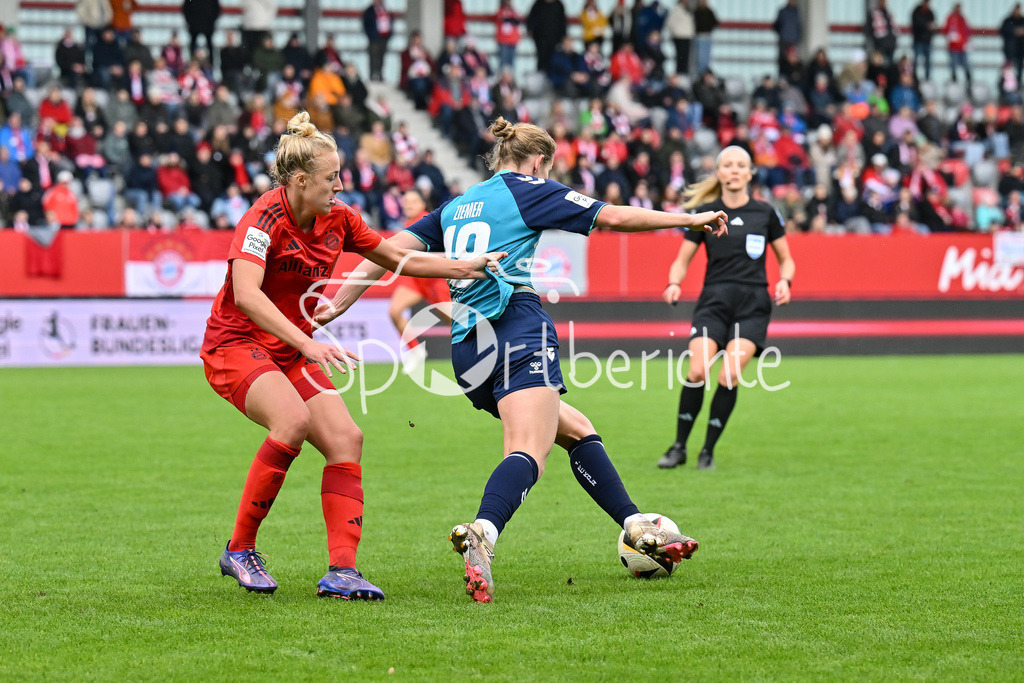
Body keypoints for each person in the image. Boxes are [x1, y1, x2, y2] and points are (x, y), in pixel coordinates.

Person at [315, 117, 727, 603]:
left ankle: (633, 522)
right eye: (547, 168)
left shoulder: (457, 205)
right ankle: (484, 533)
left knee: (575, 428)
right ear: (538, 162)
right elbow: (612, 216)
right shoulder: (529, 189)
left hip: (467, 349)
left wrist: (340, 302)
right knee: (530, 450)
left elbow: (386, 253)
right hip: (515, 325)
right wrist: (689, 218)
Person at [204, 112, 506, 599]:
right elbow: (246, 295)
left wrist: (464, 266)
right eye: (331, 178)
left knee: (346, 439)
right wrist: (307, 341)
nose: (340, 186)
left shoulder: (339, 220)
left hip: (287, 349)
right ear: (300, 181)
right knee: (292, 424)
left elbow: (398, 258)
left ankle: (341, 572)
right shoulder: (262, 218)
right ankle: (239, 549)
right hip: (234, 346)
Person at [658, 146, 795, 471]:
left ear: (750, 174)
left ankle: (707, 450)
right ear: (719, 173)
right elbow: (682, 260)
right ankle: (678, 446)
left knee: (730, 374)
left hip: (753, 305)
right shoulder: (705, 213)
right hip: (713, 303)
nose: (734, 170)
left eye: (741, 166)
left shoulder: (766, 212)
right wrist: (674, 282)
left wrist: (786, 282)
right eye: (728, 165)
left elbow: (786, 259)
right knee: (696, 371)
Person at [386, 189, 451, 374]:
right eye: (406, 202)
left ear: (423, 204)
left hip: (434, 279)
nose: (408, 205)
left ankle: (476, 352)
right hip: (415, 279)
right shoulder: (408, 223)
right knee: (394, 311)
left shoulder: (429, 220)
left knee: (454, 322)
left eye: (413, 201)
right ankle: (415, 350)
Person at [363, 0, 393, 82]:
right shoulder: (369, 11)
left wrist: (389, 34)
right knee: (373, 57)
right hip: (374, 38)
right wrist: (371, 35)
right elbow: (366, 24)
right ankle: (372, 75)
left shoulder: (385, 9)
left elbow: (390, 21)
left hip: (384, 38)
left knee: (381, 57)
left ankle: (380, 75)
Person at [944, 2, 971, 85]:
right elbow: (946, 30)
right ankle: (954, 82)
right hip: (953, 47)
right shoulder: (951, 18)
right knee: (954, 66)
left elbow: (967, 31)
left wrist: (966, 41)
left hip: (961, 47)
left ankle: (969, 82)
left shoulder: (962, 19)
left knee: (966, 65)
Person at [911, 0, 937, 82]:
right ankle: (914, 77)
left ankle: (927, 79)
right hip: (918, 40)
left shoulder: (930, 13)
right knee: (916, 61)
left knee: (928, 62)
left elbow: (933, 26)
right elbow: (916, 24)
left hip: (928, 41)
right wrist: (926, 25)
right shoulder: (916, 12)